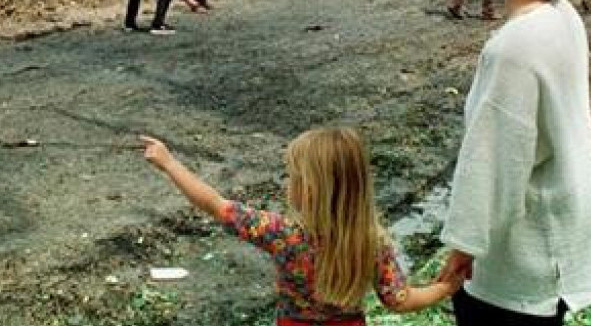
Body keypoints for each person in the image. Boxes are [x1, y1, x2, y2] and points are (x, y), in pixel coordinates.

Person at [438, 0, 591, 326]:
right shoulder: (563, 16)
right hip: (558, 242)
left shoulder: (514, 49)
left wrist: (461, 253)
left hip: (515, 273)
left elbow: (493, 165)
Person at [141, 127, 460, 325]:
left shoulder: (282, 234)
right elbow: (399, 300)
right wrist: (446, 287)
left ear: (310, 189)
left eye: (293, 175)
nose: (288, 181)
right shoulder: (370, 242)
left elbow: (216, 205)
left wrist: (170, 163)